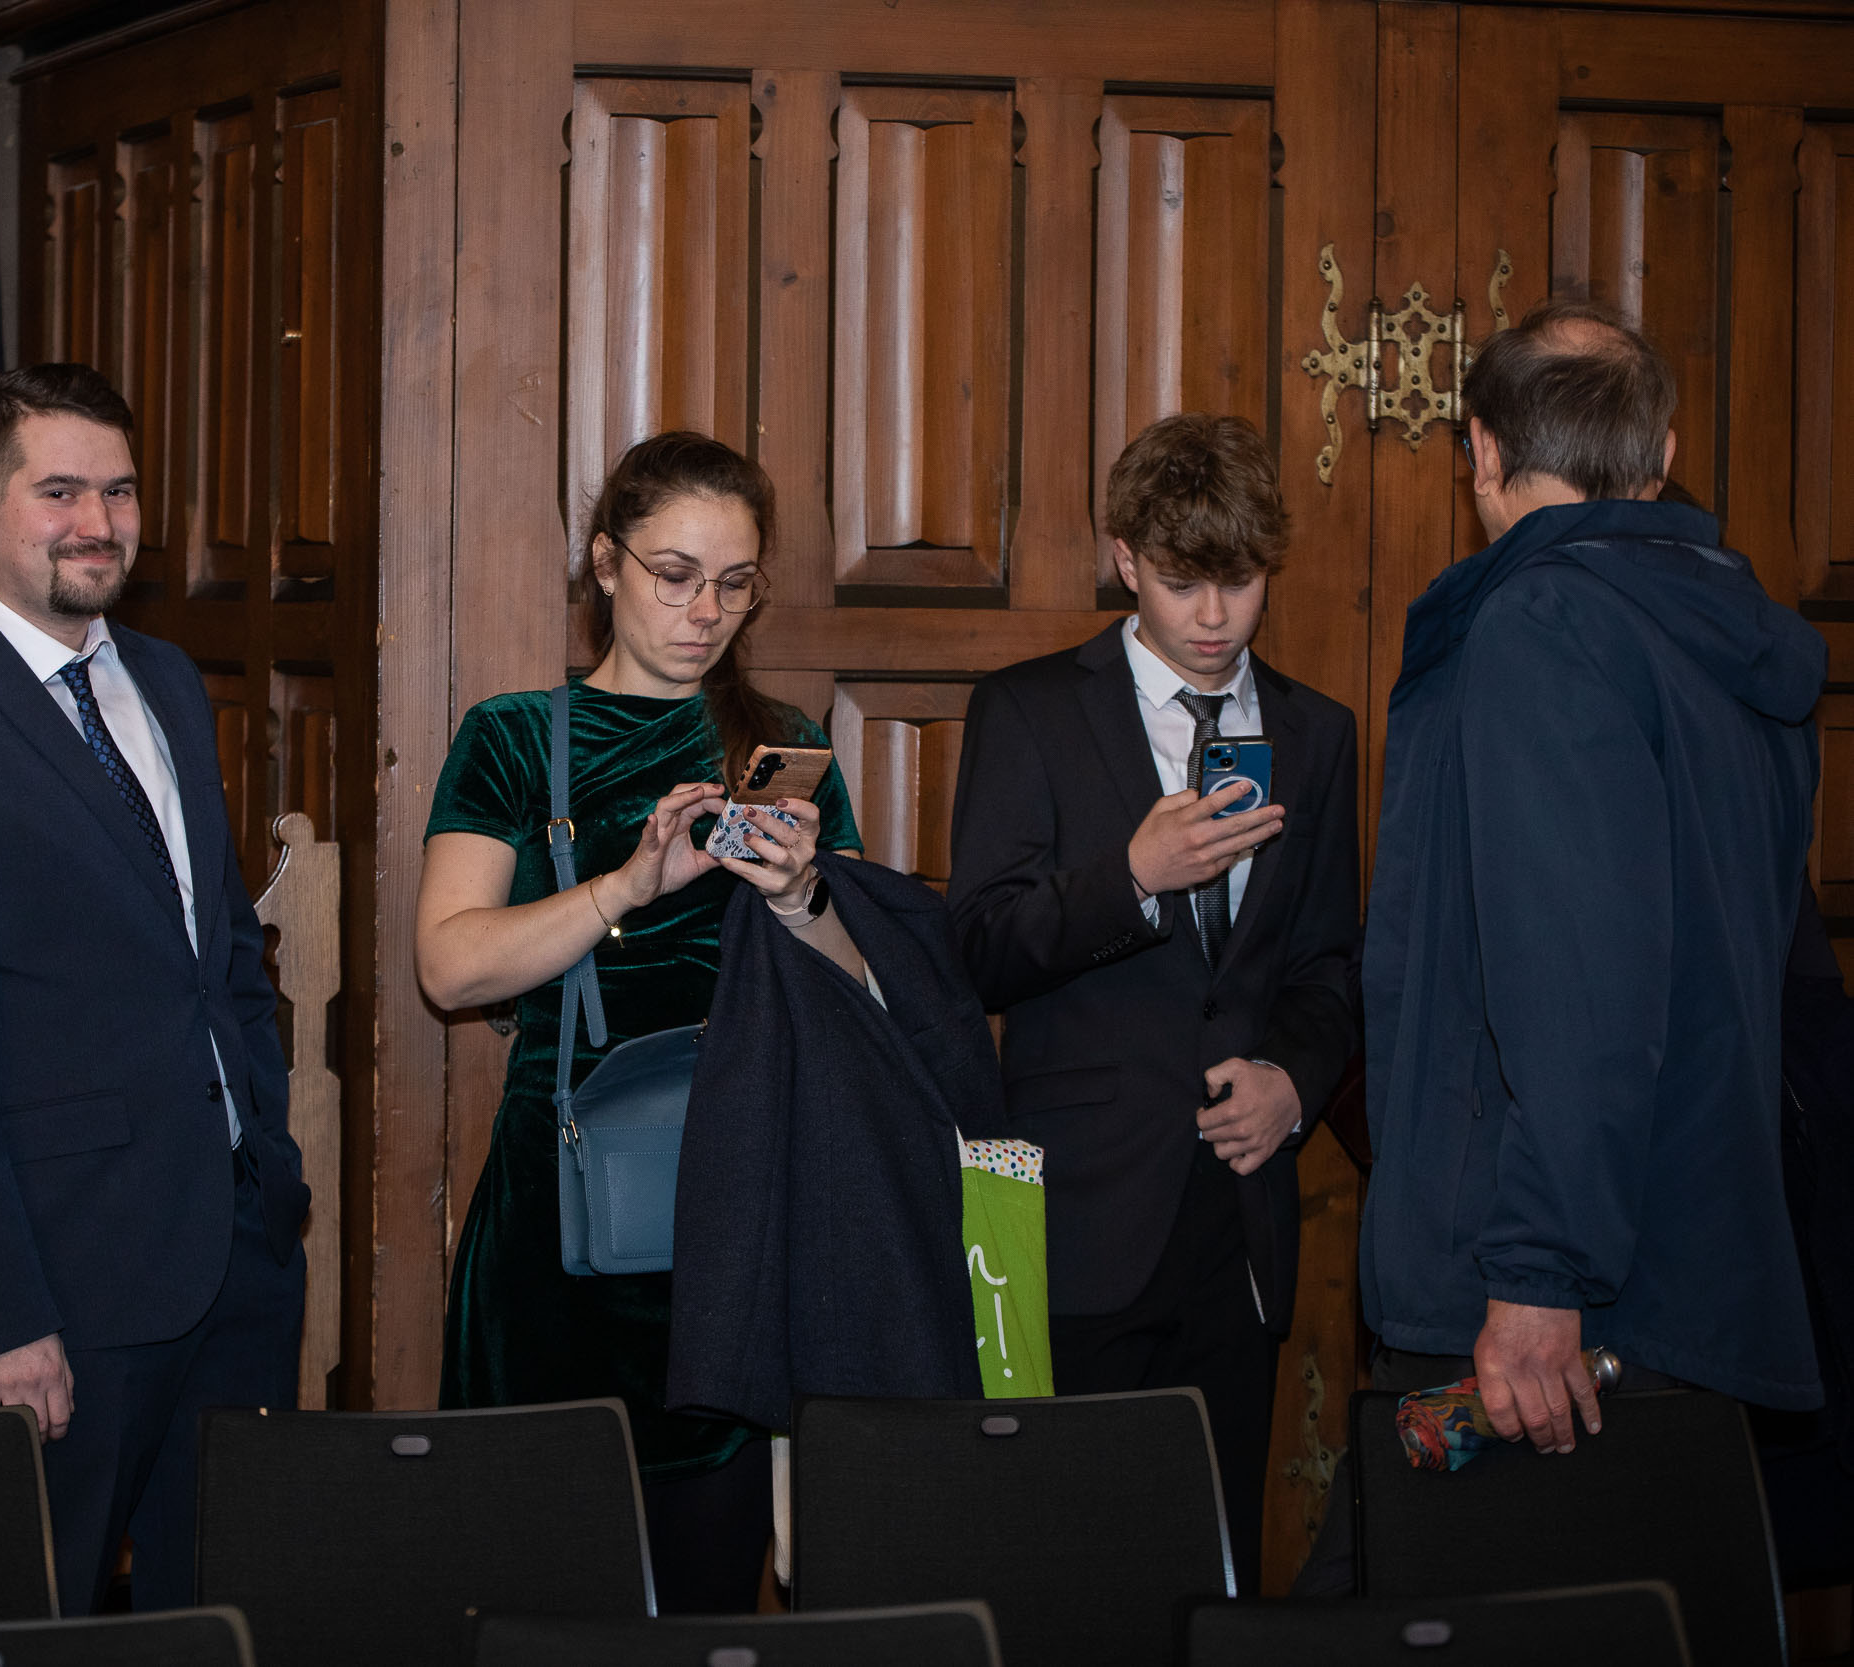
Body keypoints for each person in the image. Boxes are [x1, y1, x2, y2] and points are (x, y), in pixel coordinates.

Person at [0, 363, 307, 1612]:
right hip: (59, 1287)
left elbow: (219, 957)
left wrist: (273, 1159)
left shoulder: (170, 681)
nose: (99, 521)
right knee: (39, 1622)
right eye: (62, 491)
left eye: (121, 490)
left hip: (236, 1258)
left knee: (221, 1622)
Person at [1359, 298, 1824, 1448]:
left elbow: (1581, 985)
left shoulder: (1545, 620)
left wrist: (1536, 1271)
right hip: (1693, 1260)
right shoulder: (1726, 632)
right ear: (1660, 456)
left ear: (1480, 451)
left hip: (1543, 1295)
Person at [416, 430, 866, 1612]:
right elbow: (449, 967)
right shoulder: (514, 734)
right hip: (557, 1220)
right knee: (540, 1602)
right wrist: (627, 883)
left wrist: (802, 896)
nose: (704, 611)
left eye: (734, 582)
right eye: (674, 574)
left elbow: (866, 1000)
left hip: (736, 1216)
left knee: (707, 1589)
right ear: (606, 562)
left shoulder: (786, 748)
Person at [945, 413, 1362, 1594]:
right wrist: (1130, 876)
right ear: (1125, 558)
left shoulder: (1316, 732)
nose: (1215, 615)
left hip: (1239, 1218)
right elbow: (977, 949)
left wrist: (1292, 1081)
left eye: (1241, 580)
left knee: (1211, 1565)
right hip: (1071, 1209)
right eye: (1184, 582)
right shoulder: (1029, 708)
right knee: (1059, 1569)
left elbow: (1331, 964)